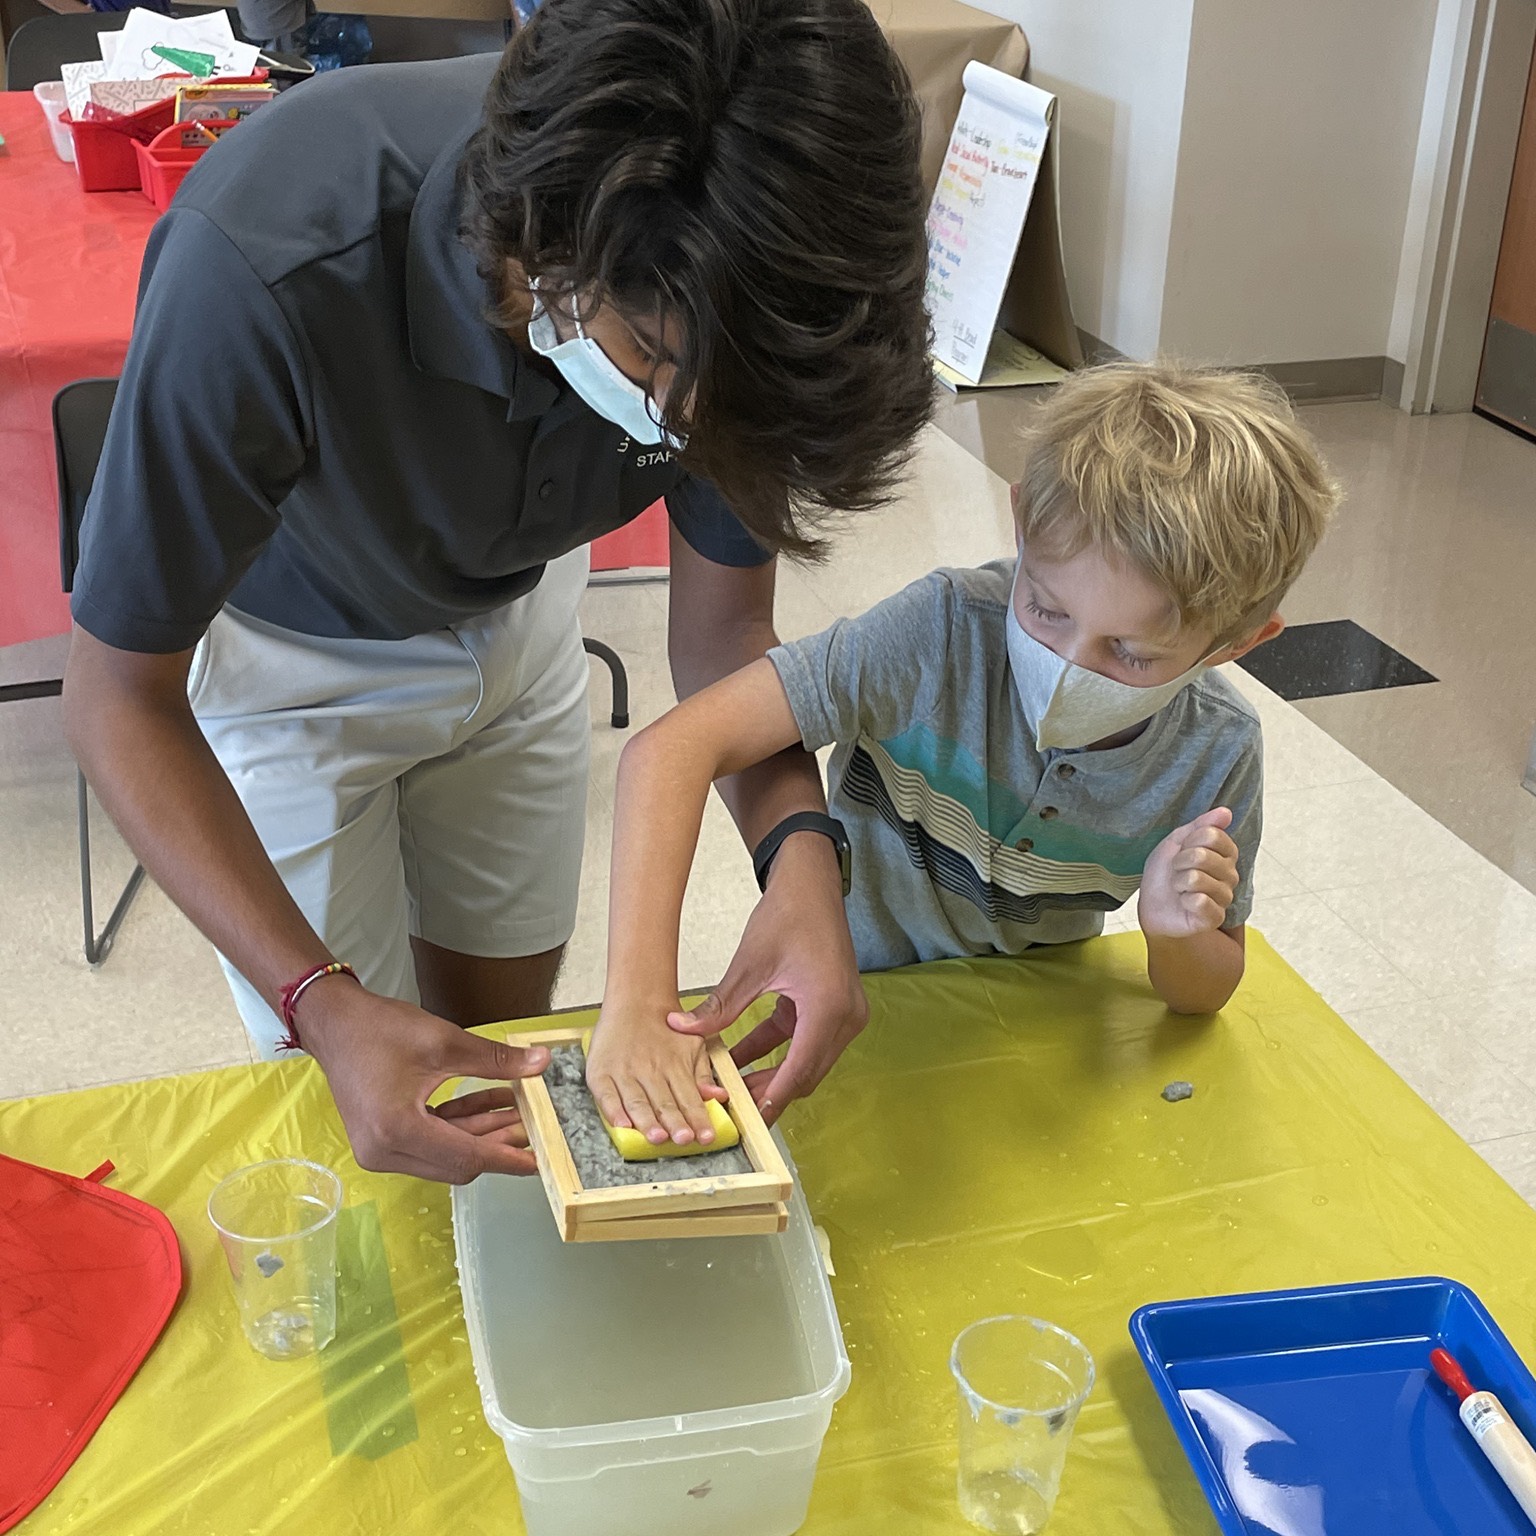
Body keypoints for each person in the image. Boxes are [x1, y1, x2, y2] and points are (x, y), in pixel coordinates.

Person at [62, 0, 932, 1183]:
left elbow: (726, 634)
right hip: (291, 656)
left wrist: (799, 858)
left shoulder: (739, 300)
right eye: (657, 370)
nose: (692, 427)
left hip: (522, 622)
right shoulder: (267, 257)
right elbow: (117, 696)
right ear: (540, 260)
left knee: (504, 1051)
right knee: (357, 1095)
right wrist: (318, 1002)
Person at [585, 362, 1341, 1148]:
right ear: (1022, 523)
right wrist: (639, 1002)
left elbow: (1203, 993)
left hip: (1027, 1054)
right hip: (854, 1014)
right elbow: (671, 751)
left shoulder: (1218, 749)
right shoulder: (939, 632)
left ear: (1239, 642)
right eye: (1045, 608)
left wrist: (1173, 932)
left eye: (1131, 654)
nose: (1068, 664)